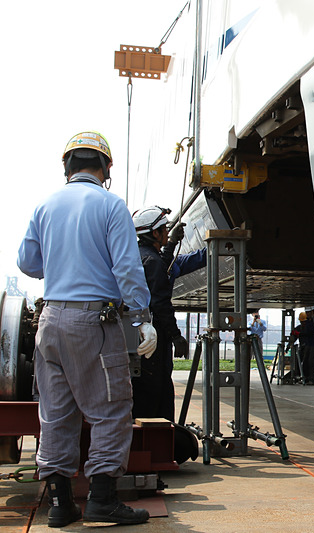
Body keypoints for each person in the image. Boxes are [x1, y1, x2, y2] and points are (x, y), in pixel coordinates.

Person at [17, 132, 155, 526]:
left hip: (50, 319)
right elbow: (127, 268)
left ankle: (61, 505)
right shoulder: (111, 205)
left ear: (67, 166)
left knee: (56, 412)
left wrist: (63, 263)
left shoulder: (45, 206)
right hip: (94, 322)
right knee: (111, 410)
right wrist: (142, 318)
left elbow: (28, 263)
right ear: (106, 168)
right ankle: (102, 500)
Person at [131, 206, 207, 422]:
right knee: (157, 388)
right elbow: (160, 303)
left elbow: (163, 267)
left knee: (143, 389)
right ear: (154, 233)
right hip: (154, 337)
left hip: (137, 334)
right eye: (164, 229)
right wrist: (175, 336)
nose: (166, 232)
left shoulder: (139, 256)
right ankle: (157, 440)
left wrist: (172, 244)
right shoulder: (153, 262)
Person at [299, 307, 314, 385]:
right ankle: (306, 378)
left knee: (312, 362)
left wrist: (302, 334)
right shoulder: (308, 321)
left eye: (308, 312)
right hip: (308, 344)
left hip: (313, 344)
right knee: (306, 362)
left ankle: (312, 379)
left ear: (312, 312)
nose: (307, 314)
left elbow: (311, 333)